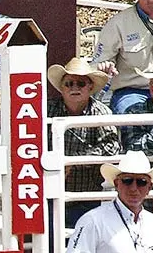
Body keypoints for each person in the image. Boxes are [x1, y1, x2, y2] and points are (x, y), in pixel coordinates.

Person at [46, 57, 120, 227]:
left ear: (90, 87)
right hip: (50, 193)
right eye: (69, 84)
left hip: (86, 197)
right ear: (61, 88)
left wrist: (74, 162)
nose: (74, 88)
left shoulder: (101, 112)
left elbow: (112, 148)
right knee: (50, 239)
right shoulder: (47, 110)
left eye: (80, 83)